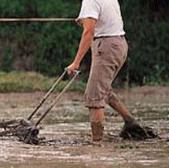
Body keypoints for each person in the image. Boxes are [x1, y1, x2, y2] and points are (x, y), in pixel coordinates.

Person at [66, 0, 156, 142]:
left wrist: (76, 62)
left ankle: (97, 144)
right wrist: (85, 21)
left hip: (106, 46)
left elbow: (88, 32)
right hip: (118, 44)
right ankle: (131, 123)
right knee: (104, 90)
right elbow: (103, 21)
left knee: (94, 96)